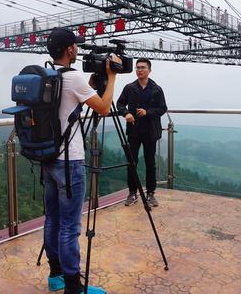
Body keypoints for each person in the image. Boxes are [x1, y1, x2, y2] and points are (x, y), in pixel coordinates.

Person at [43, 27, 120, 294]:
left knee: (52, 219)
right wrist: (111, 79)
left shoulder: (48, 74)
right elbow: (104, 108)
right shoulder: (74, 78)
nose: (77, 49)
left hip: (49, 159)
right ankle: (74, 288)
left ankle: (55, 276)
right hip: (70, 161)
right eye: (75, 45)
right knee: (70, 227)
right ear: (69, 50)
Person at [117, 59, 167, 208]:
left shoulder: (156, 89)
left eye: (143, 68)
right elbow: (120, 103)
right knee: (131, 163)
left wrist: (148, 112)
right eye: (137, 67)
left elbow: (162, 108)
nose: (140, 70)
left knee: (150, 163)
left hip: (150, 131)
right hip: (134, 131)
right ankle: (132, 193)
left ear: (149, 70)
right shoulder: (129, 88)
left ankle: (151, 193)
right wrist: (126, 113)